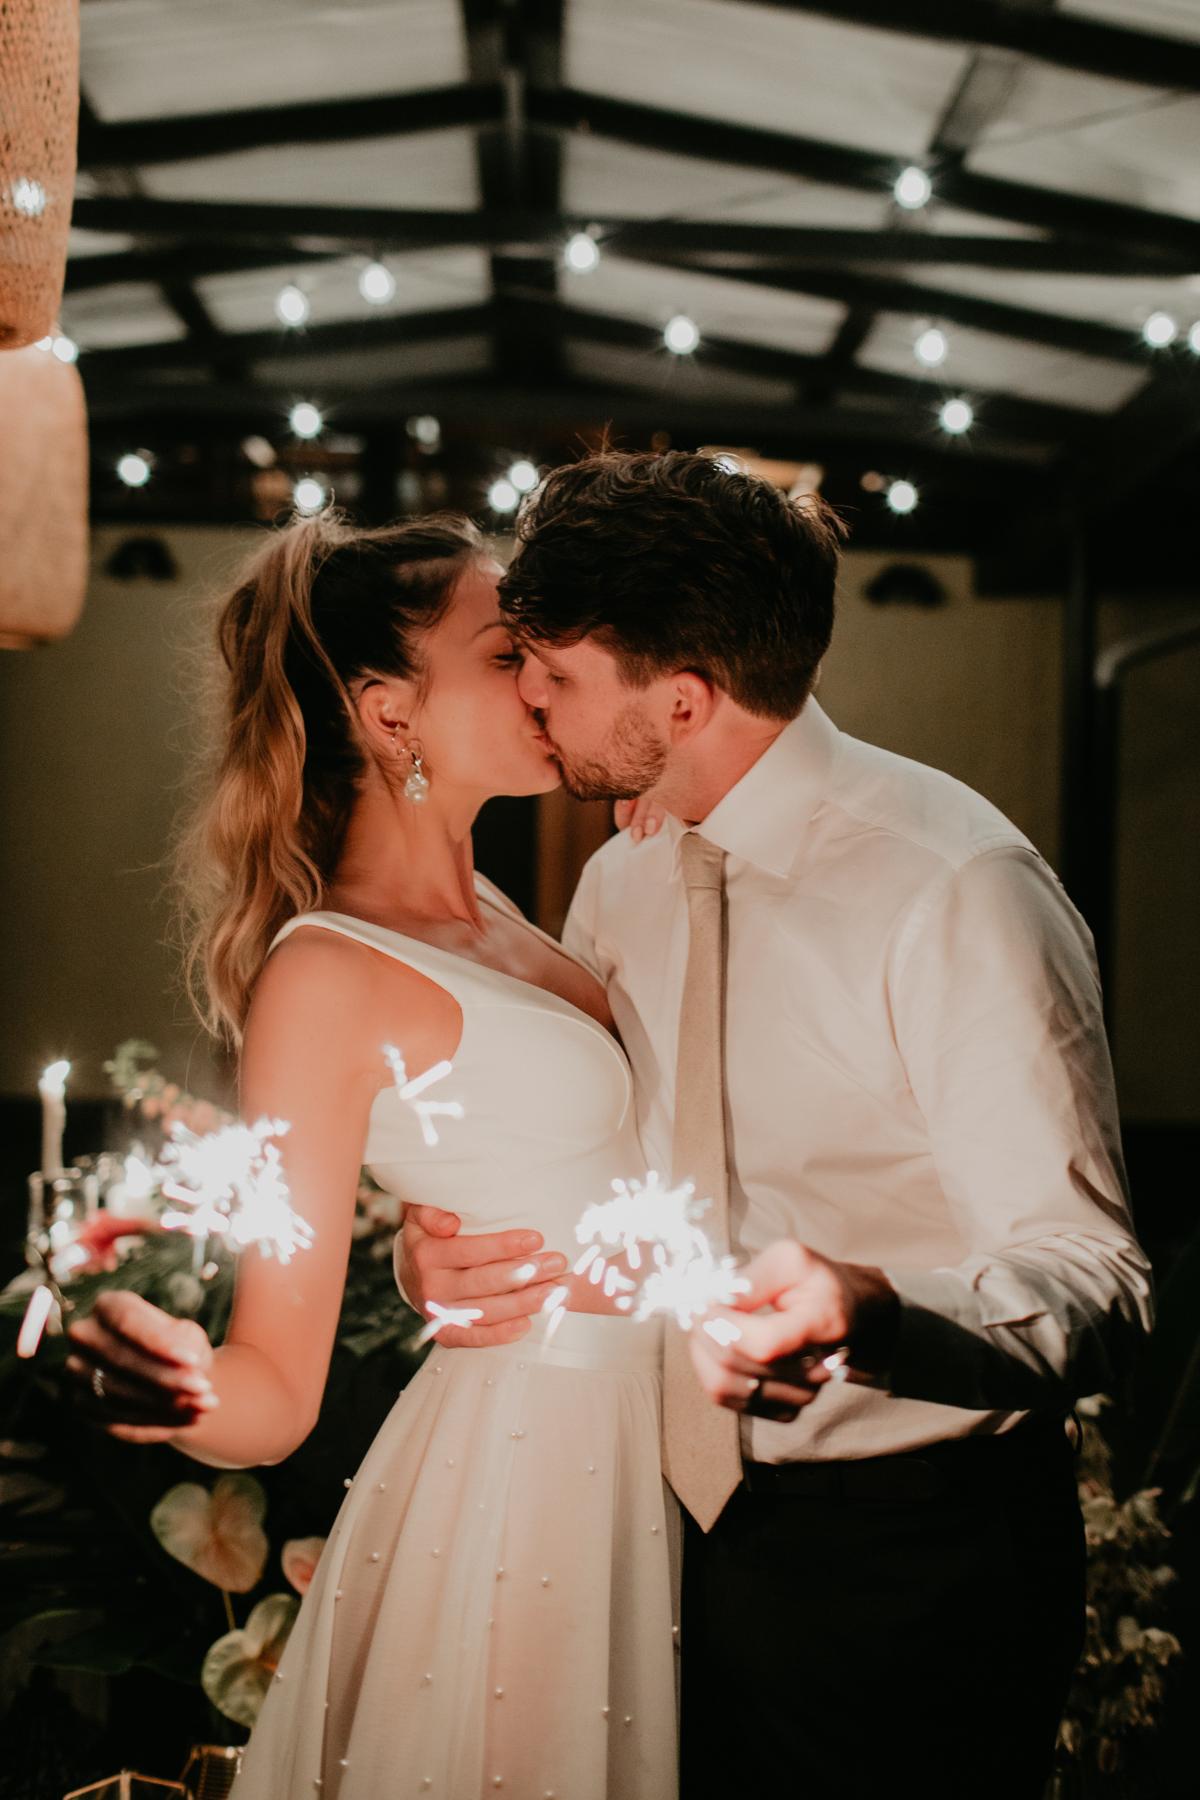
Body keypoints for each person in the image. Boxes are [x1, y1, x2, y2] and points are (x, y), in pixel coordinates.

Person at [398, 449, 1155, 1800]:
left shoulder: (958, 890)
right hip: (644, 1524)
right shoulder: (624, 883)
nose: (527, 699)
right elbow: (604, 1160)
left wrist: (873, 1310)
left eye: (557, 676)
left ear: (681, 700)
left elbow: (1096, 1282)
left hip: (908, 1559)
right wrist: (433, 1247)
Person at [62, 511, 682, 1799]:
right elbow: (274, 1392)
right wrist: (176, 1384)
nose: (546, 666)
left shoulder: (507, 913)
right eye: (509, 646)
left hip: (644, 1445)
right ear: (391, 716)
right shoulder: (328, 978)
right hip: (523, 1483)